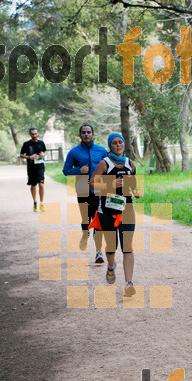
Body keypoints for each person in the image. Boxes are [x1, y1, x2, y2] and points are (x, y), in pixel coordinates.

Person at [90, 133, 141, 297]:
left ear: (124, 145)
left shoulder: (130, 163)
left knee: (128, 247)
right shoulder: (105, 164)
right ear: (109, 146)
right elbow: (91, 183)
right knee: (112, 247)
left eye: (120, 142)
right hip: (107, 211)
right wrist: (110, 184)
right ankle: (111, 267)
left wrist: (135, 191)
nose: (118, 145)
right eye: (114, 143)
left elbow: (132, 181)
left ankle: (129, 284)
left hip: (127, 210)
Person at [63, 124, 109, 264]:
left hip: (99, 189)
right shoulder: (74, 152)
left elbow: (108, 169)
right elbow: (66, 171)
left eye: (89, 132)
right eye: (83, 132)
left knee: (98, 220)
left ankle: (98, 252)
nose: (86, 134)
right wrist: (78, 170)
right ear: (80, 135)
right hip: (82, 188)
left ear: (93, 134)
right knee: (85, 219)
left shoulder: (101, 151)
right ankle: (85, 233)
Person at [19, 128, 46, 212]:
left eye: (35, 133)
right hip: (31, 166)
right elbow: (21, 155)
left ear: (38, 134)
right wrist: (29, 157)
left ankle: (42, 203)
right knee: (33, 185)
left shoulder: (41, 143)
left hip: (40, 165)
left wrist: (43, 154)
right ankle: (35, 202)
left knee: (41, 184)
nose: (34, 135)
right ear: (30, 135)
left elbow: (45, 151)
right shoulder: (26, 144)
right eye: (32, 134)